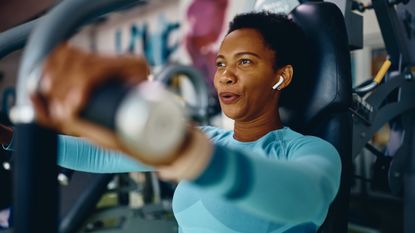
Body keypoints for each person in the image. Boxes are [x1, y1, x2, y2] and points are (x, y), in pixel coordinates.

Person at [3, 11, 341, 232]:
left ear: (280, 78)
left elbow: (304, 197)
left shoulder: (310, 152)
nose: (225, 77)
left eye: (245, 62)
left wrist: (184, 152)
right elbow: (99, 155)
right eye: (222, 64)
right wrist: (10, 136)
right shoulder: (209, 139)